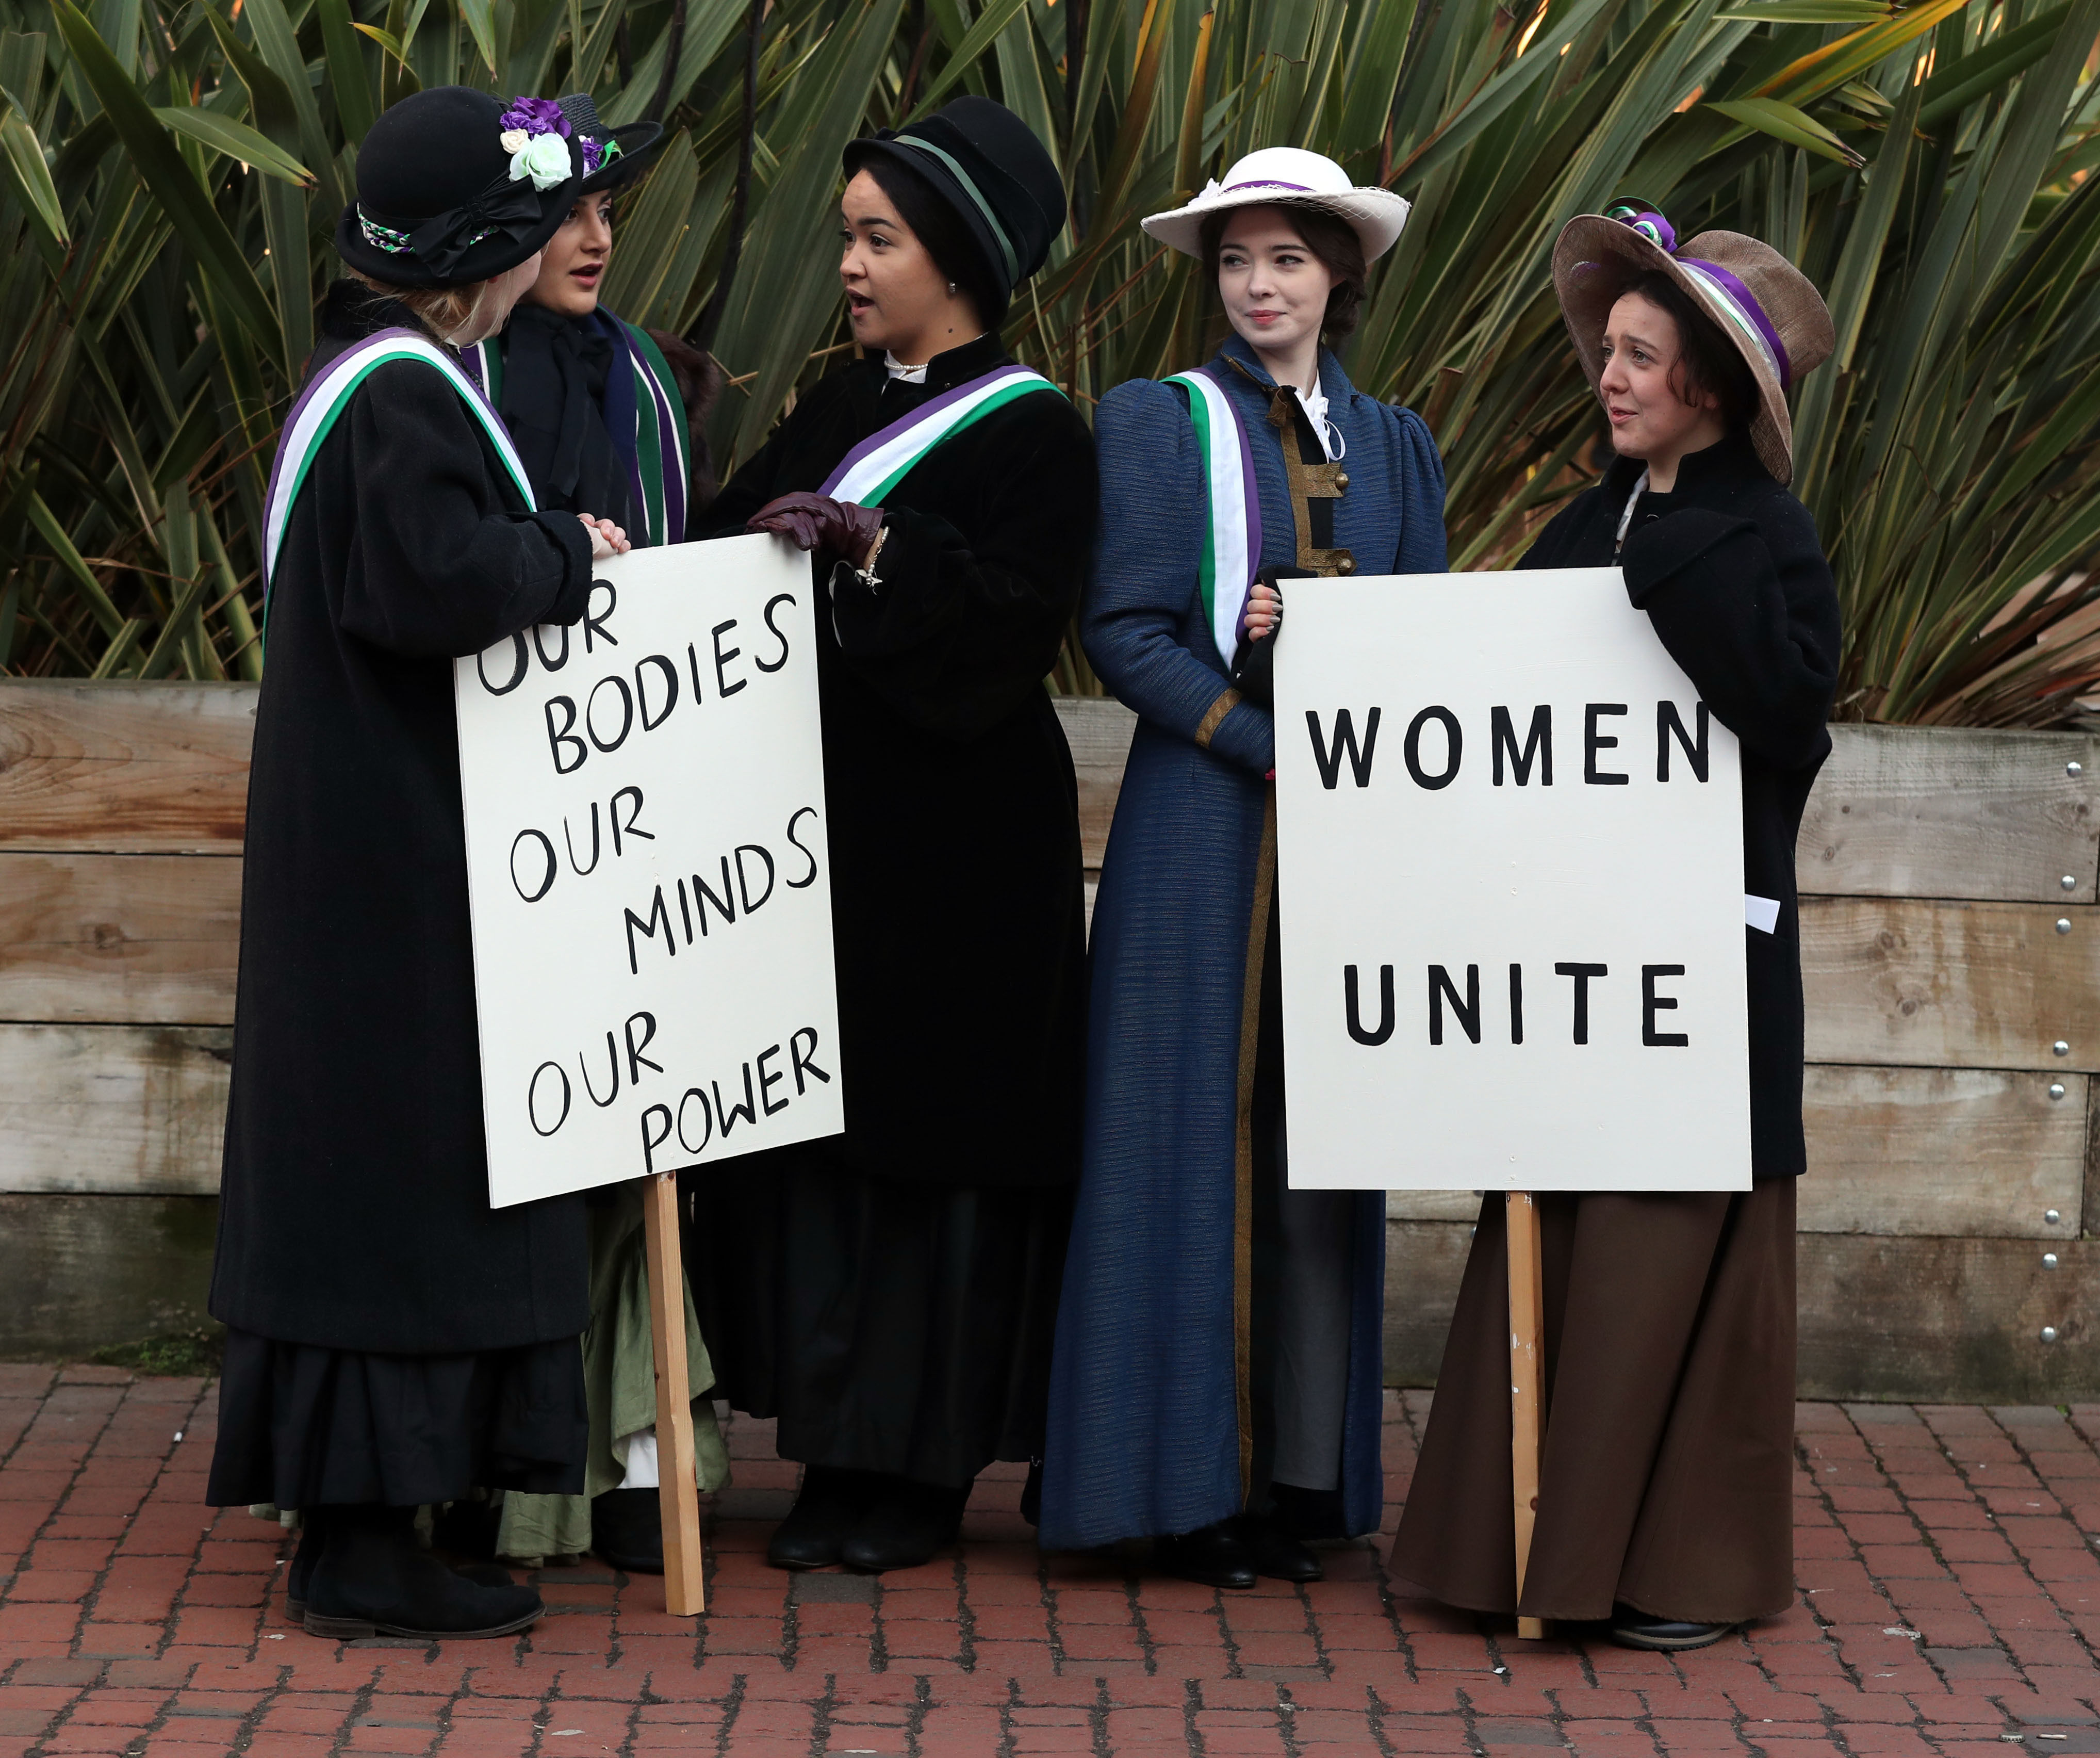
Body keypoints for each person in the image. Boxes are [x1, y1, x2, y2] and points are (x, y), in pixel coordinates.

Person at [205, 85, 632, 1641]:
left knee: (397, 1183)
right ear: (488, 251)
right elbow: (425, 580)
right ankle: (361, 1540)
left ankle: (384, 1514)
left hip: (368, 854)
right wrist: (563, 558)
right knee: (397, 1186)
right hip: (387, 877)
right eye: (541, 226)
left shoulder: (379, 378)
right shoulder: (402, 392)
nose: (567, 244)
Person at [1389, 204, 1840, 1650]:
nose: (1613, 377)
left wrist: (1677, 567)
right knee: (1559, 1225)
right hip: (1573, 967)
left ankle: (1677, 1571)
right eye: (1614, 353)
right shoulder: (1592, 516)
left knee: (1670, 1252)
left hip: (1705, 975)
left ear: (1709, 390)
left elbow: (1787, 716)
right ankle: (1509, 1546)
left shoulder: (1764, 537)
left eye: (1645, 359)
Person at [686, 96, 1096, 1574]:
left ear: (961, 258)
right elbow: (736, 541)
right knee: (834, 1157)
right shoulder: (838, 401)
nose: (850, 264)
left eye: (880, 238)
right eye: (850, 235)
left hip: (966, 866)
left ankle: (917, 1476)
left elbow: (1006, 630)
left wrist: (878, 553)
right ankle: (832, 1455)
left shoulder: (1038, 431)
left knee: (937, 1164)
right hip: (836, 852)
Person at [1039, 148, 1447, 1588]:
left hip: (1348, 837)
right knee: (1178, 1130)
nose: (1259, 286)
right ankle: (1169, 1487)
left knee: (1323, 1146)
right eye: (1234, 262)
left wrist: (1342, 662)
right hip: (1205, 828)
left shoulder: (1399, 444)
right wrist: (1253, 727)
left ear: (1340, 272)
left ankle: (1294, 1479)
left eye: (1285, 258)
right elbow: (1125, 627)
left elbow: (1429, 642)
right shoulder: (1159, 423)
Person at [453, 91, 731, 1581]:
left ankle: (631, 1456)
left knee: (630, 1134)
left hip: (624, 804)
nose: (595, 237)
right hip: (496, 808)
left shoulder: (642, 380)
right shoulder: (464, 376)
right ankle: (503, 1475)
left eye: (606, 212)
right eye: (566, 214)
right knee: (517, 1146)